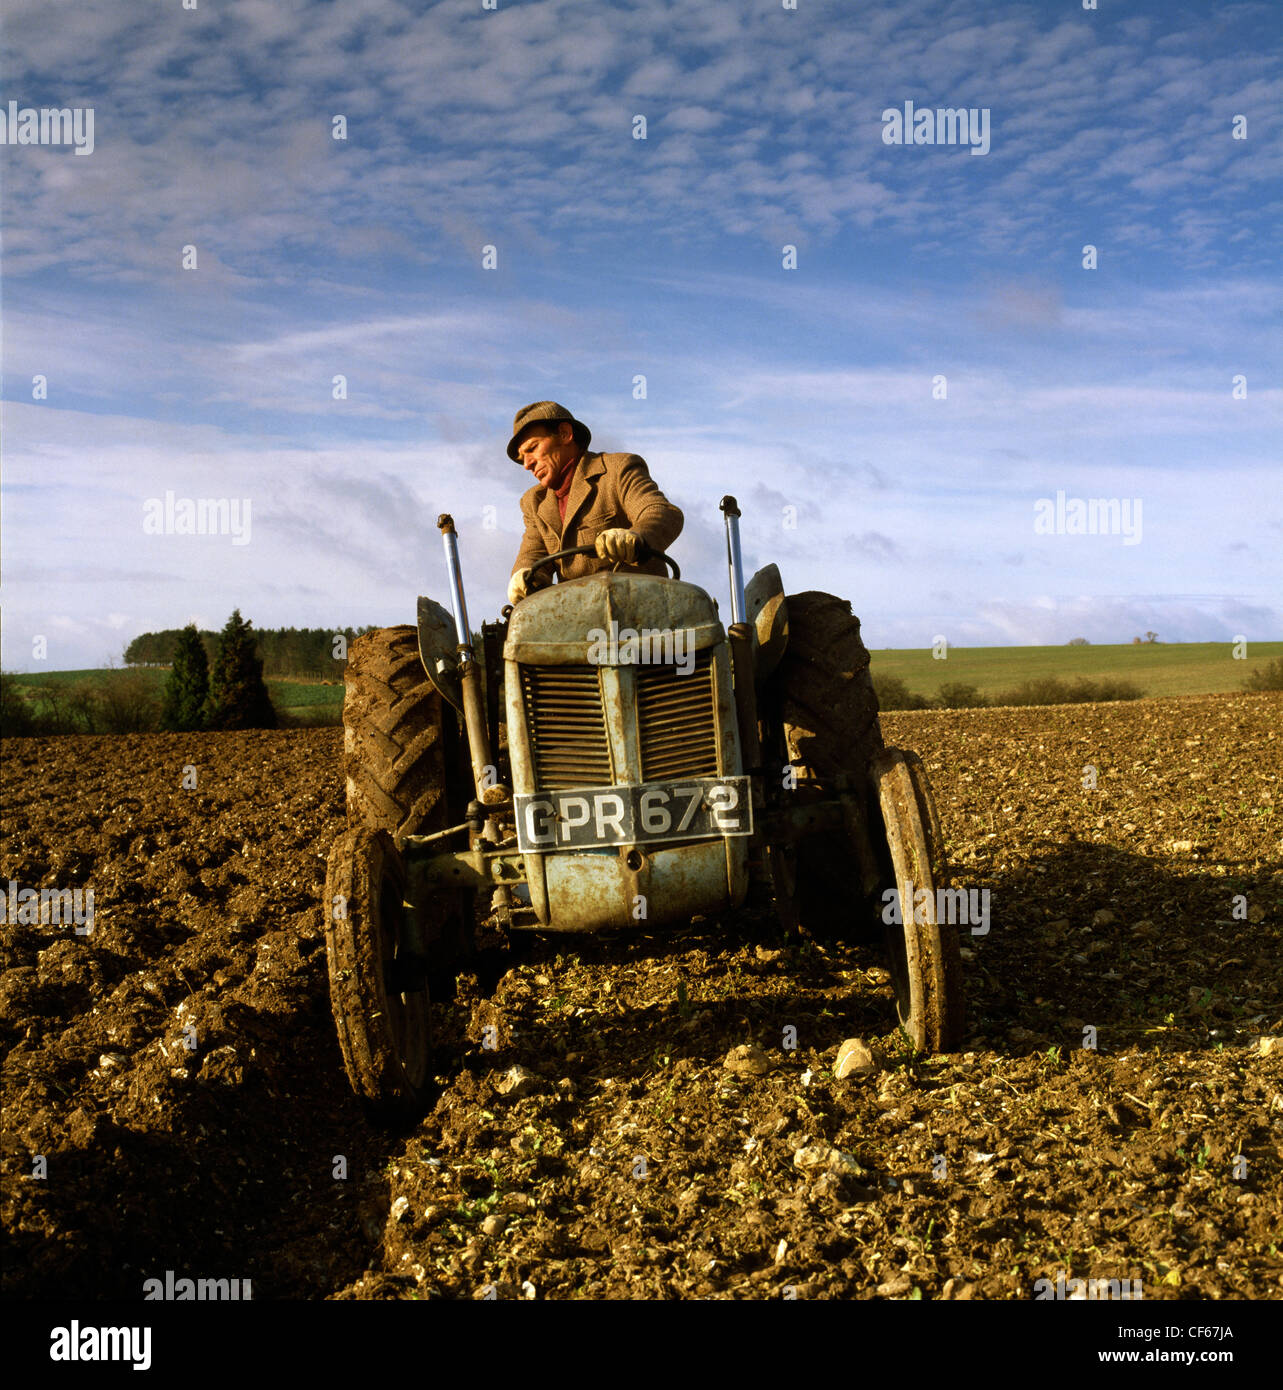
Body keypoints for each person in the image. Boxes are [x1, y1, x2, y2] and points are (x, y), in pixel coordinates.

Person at [505, 401, 684, 605]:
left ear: (565, 434)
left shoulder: (617, 470)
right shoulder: (534, 502)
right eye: (522, 459)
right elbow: (532, 555)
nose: (527, 464)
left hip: (641, 612)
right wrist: (523, 576)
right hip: (575, 620)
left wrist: (636, 537)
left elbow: (660, 511)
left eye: (532, 448)